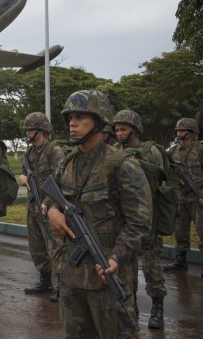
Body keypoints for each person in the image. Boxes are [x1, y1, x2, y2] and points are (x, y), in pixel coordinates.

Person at [44, 90, 151, 339]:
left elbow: (140, 222)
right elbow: (51, 198)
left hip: (108, 277)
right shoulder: (66, 164)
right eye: (70, 117)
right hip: (72, 275)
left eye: (81, 117)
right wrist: (52, 211)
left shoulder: (121, 165)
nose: (72, 122)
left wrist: (116, 258)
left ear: (100, 122)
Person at [113, 109, 166, 328]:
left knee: (152, 266)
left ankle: (157, 307)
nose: (119, 133)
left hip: (148, 218)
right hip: (124, 221)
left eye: (123, 129)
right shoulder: (114, 151)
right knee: (126, 270)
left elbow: (158, 181)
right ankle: (130, 310)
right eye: (116, 129)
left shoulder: (150, 150)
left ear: (134, 129)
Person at [18, 112, 65, 301]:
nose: (28, 132)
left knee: (55, 246)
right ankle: (45, 281)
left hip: (50, 206)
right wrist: (22, 178)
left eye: (31, 129)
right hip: (33, 205)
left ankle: (62, 284)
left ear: (42, 130)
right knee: (37, 246)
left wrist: (47, 203)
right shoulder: (29, 153)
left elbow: (60, 179)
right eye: (27, 129)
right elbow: (24, 173)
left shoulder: (54, 151)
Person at [163, 118, 203, 277]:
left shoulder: (201, 150)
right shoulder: (172, 151)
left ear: (191, 132)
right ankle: (180, 260)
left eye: (182, 130)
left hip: (197, 199)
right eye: (177, 130)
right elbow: (166, 172)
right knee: (180, 232)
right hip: (180, 199)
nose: (178, 132)